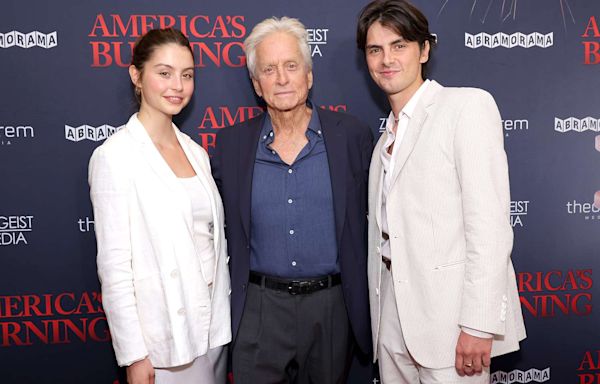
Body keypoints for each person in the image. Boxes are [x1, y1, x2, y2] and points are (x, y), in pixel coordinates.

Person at [356, 1, 526, 382]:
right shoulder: (384, 138)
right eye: (375, 49)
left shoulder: (465, 107)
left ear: (424, 50)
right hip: (391, 315)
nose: (386, 59)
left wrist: (479, 325)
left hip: (449, 320)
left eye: (399, 45)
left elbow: (489, 226)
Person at [211, 16, 373, 384]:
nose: (281, 78)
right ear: (256, 84)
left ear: (309, 75)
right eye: (269, 69)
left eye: (291, 66)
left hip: (332, 307)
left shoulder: (352, 137)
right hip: (258, 309)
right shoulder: (231, 144)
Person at [88, 28, 230, 384]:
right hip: (162, 341)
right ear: (137, 75)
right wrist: (134, 355)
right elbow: (115, 266)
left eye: (187, 75)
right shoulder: (114, 157)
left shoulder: (195, 152)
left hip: (212, 331)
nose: (177, 86)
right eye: (164, 73)